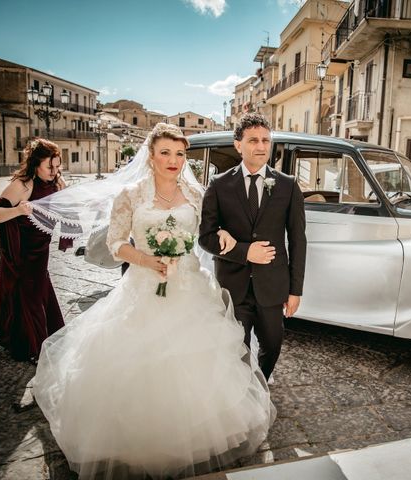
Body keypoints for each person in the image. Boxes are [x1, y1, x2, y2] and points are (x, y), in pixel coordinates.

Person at [32, 123, 274, 479]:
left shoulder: (197, 193)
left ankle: (196, 437)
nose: (173, 160)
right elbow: (116, 243)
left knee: (197, 365)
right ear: (151, 155)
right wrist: (147, 259)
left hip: (191, 287)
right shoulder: (130, 195)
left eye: (179, 154)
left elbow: (208, 231)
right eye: (166, 153)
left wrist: (221, 233)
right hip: (143, 286)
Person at [199, 113, 307, 380]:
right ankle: (245, 395)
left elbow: (297, 240)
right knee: (238, 349)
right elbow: (206, 237)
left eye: (266, 140)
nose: (261, 146)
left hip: (272, 285)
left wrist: (295, 290)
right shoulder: (219, 185)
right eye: (253, 140)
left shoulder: (288, 186)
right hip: (233, 285)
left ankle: (259, 384)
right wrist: (245, 252)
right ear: (238, 145)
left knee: (272, 345)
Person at [0, 138, 68, 362]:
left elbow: (65, 209)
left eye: (57, 165)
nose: (55, 171)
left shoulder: (58, 183)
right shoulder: (23, 185)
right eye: (49, 166)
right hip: (19, 250)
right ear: (35, 164)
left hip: (41, 248)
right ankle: (35, 347)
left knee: (37, 288)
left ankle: (27, 338)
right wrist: (19, 210)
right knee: (29, 291)